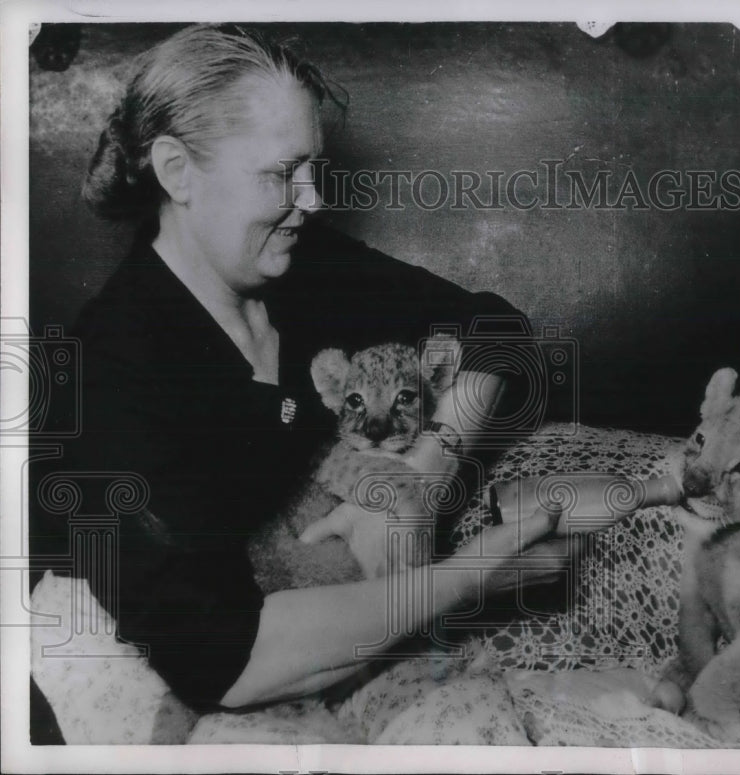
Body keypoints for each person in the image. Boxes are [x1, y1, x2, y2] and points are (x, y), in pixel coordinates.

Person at [38, 23, 565, 713]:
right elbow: (226, 661)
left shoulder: (300, 266)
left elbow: (499, 333)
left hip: (323, 622)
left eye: (313, 167)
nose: (312, 199)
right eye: (282, 173)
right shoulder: (106, 378)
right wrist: (476, 572)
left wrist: (418, 475)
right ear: (176, 172)